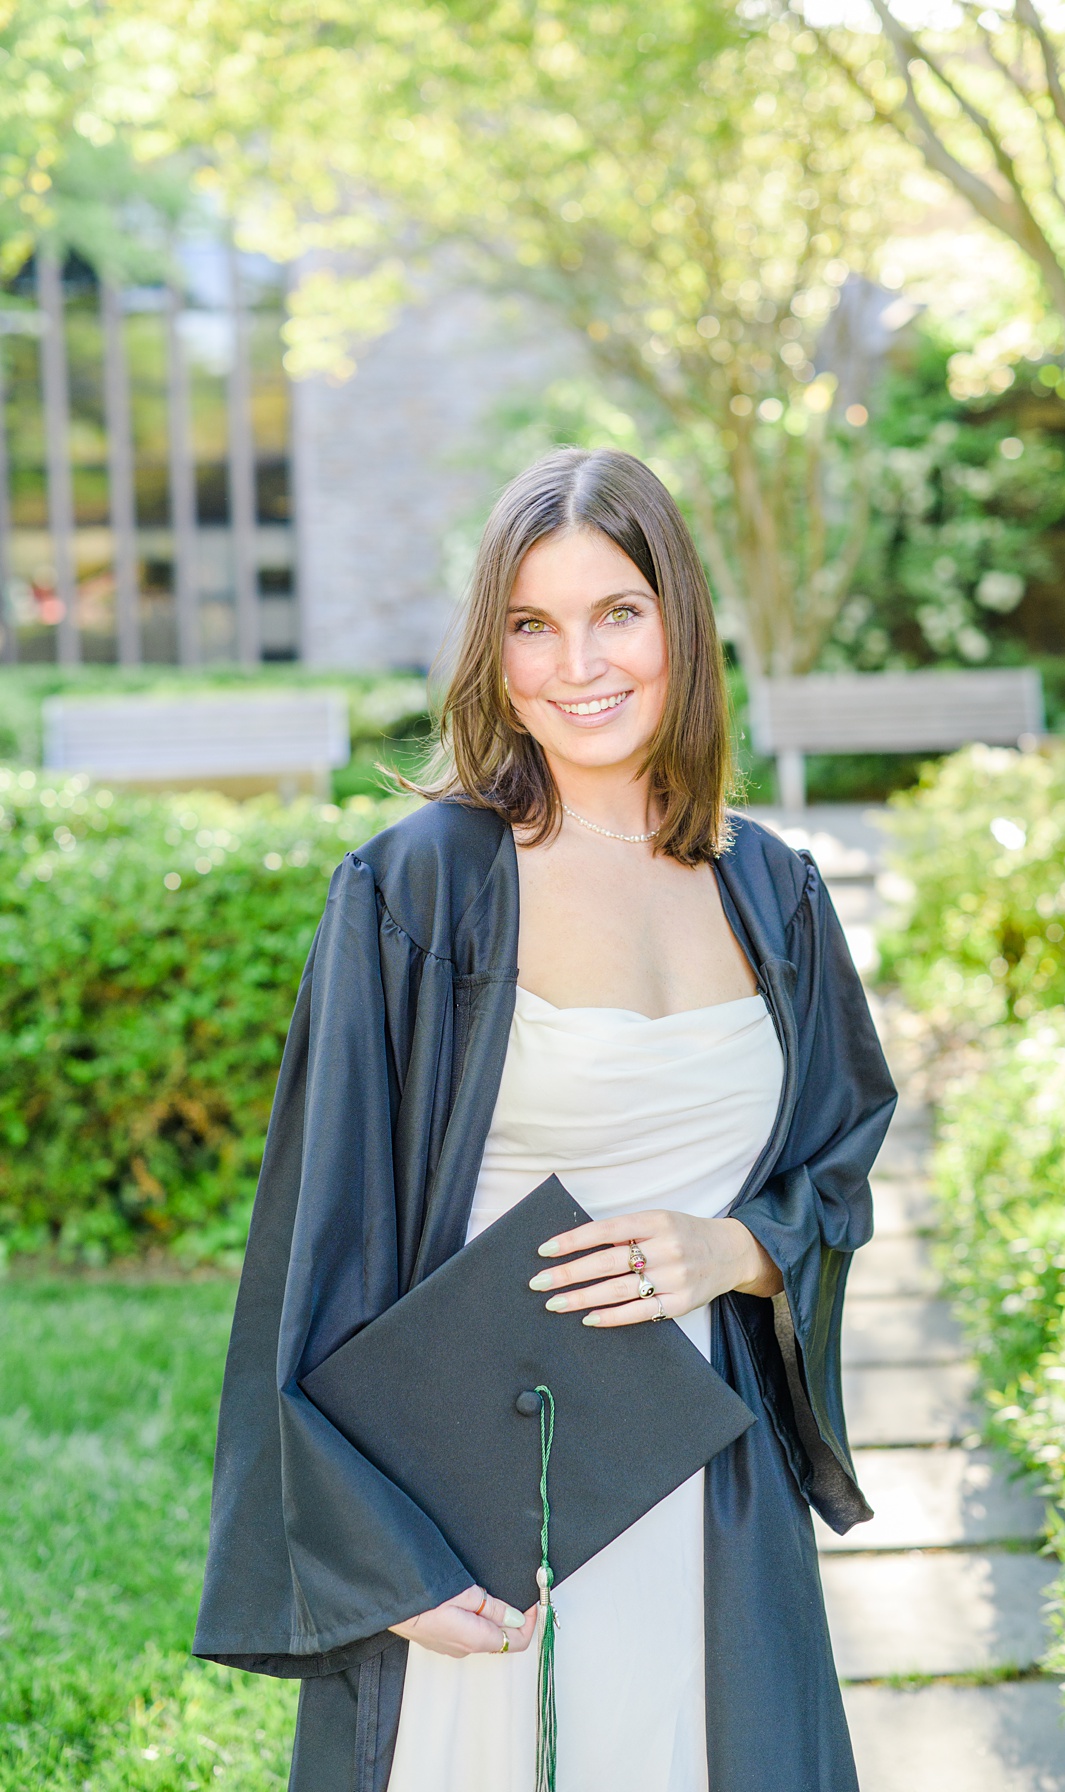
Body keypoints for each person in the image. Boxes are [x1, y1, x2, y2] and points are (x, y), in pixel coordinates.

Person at [194, 447, 896, 1792]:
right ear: (493, 653)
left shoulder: (777, 892)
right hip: (484, 1492)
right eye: (534, 624)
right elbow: (317, 1244)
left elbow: (839, 1160)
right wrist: (378, 1561)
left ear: (680, 621)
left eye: (617, 612)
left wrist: (737, 1252)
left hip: (709, 1469)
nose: (580, 663)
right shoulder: (418, 893)